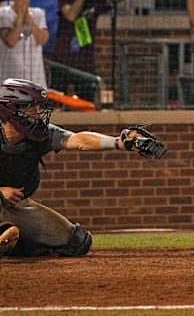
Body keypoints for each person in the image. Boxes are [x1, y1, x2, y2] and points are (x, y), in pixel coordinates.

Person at [0, 78, 166, 257]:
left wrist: (119, 142)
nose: (37, 114)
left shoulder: (41, 134)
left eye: (38, 108)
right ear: (10, 111)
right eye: (30, 108)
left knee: (77, 242)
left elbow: (78, 140)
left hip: (16, 206)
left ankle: (13, 243)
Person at [47, 0, 111, 101]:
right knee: (56, 102)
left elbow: (113, 1)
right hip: (63, 59)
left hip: (85, 61)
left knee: (87, 104)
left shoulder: (97, 0)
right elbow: (70, 15)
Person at [0, 0, 49, 89]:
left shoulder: (38, 14)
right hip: (10, 81)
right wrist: (20, 16)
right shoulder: (3, 14)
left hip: (35, 81)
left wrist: (28, 16)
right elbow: (10, 41)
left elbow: (42, 39)